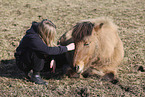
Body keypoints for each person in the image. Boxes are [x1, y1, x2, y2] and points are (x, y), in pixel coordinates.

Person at [14, 19, 75, 85]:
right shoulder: (32, 38)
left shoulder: (40, 33)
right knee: (39, 52)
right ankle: (35, 75)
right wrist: (67, 48)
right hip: (24, 62)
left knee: (59, 55)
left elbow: (50, 48)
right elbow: (47, 50)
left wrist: (53, 58)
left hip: (36, 59)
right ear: (45, 32)